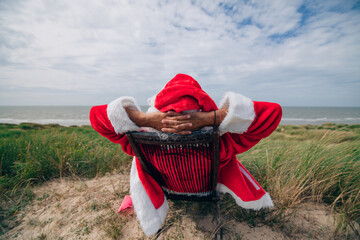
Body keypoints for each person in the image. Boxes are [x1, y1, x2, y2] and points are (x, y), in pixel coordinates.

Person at [89, 73, 282, 236]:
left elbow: (96, 116)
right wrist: (210, 118)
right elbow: (273, 113)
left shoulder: (143, 140)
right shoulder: (220, 141)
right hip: (205, 189)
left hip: (166, 187)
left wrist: (145, 119)